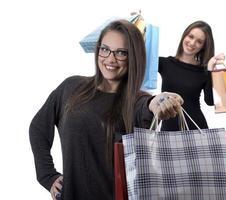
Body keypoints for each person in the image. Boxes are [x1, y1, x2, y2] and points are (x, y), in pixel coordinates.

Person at [29, 20, 183, 200]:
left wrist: (158, 101)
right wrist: (48, 176)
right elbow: (39, 128)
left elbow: (147, 107)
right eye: (105, 49)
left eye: (121, 53)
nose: (110, 59)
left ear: (133, 57)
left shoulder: (137, 101)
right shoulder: (71, 87)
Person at [159, 20, 225, 131]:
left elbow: (211, 102)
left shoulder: (203, 71)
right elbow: (136, 66)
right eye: (191, 36)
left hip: (197, 128)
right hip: (168, 129)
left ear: (203, 47)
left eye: (199, 41)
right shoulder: (164, 63)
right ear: (184, 35)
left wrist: (210, 69)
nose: (192, 43)